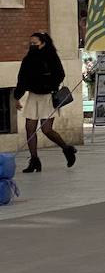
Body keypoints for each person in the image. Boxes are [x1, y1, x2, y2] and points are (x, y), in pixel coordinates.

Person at [13, 32, 77, 173]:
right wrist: (17, 96)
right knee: (30, 129)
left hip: (47, 96)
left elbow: (60, 74)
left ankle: (67, 149)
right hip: (33, 96)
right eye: (31, 43)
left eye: (35, 43)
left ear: (43, 43)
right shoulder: (28, 59)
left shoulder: (51, 57)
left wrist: (50, 85)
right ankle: (34, 160)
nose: (32, 45)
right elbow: (22, 78)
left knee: (46, 129)